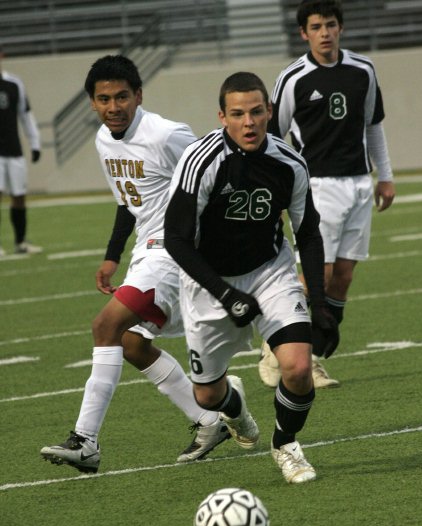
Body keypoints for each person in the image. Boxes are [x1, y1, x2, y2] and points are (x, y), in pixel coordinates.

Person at [40, 55, 230, 474]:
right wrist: (112, 255)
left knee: (104, 327)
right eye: (104, 99)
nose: (114, 106)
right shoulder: (104, 141)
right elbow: (130, 201)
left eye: (122, 96)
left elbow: (216, 172)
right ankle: (209, 420)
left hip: (175, 251)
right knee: (130, 344)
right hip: (146, 249)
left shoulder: (166, 134)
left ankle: (85, 441)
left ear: (138, 95)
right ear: (92, 103)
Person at [164, 71, 339, 484]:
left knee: (296, 368)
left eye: (257, 112)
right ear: (222, 117)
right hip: (209, 281)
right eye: (238, 114)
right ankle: (236, 408)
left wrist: (321, 305)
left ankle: (286, 444)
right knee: (207, 394)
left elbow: (308, 231)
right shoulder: (200, 161)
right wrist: (225, 293)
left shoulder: (289, 162)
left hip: (269, 271)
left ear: (269, 112)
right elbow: (176, 240)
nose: (249, 122)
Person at [258, 0, 395, 389]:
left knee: (344, 277)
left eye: (330, 25)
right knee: (319, 274)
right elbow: (273, 139)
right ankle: (276, 347)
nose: (324, 33)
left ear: (341, 28)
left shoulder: (363, 70)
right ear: (304, 33)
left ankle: (313, 354)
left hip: (358, 184)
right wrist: (278, 192)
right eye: (316, 27)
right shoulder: (292, 78)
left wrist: (384, 176)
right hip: (316, 185)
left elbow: (374, 126)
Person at [0, 46, 42, 256]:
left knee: (19, 196)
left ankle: (20, 242)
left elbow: (25, 115)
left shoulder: (14, 84)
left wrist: (35, 143)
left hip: (14, 150)